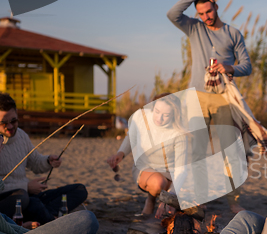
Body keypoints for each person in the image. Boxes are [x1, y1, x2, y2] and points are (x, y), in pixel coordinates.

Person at [167, 0, 252, 213]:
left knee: (231, 149)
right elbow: (172, 14)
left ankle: (234, 201)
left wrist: (230, 67)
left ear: (216, 6)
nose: (206, 17)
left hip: (224, 98)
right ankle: (200, 197)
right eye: (201, 13)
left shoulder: (233, 33)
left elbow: (247, 65)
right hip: (197, 97)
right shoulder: (194, 28)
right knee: (197, 150)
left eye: (208, 11)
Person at [0, 94, 88, 224]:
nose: (10, 126)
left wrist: (48, 161)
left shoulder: (22, 136)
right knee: (24, 198)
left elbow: (35, 162)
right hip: (11, 199)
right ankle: (49, 220)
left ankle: (45, 216)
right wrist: (26, 187)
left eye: (13, 121)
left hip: (29, 196)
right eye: (3, 123)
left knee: (79, 190)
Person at [106, 93, 188, 217]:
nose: (159, 118)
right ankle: (150, 200)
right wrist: (120, 153)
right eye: (157, 111)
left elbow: (181, 169)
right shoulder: (142, 118)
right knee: (157, 183)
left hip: (171, 173)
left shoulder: (179, 134)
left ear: (174, 115)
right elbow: (130, 137)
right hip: (145, 168)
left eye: (166, 115)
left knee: (190, 193)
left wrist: (170, 198)